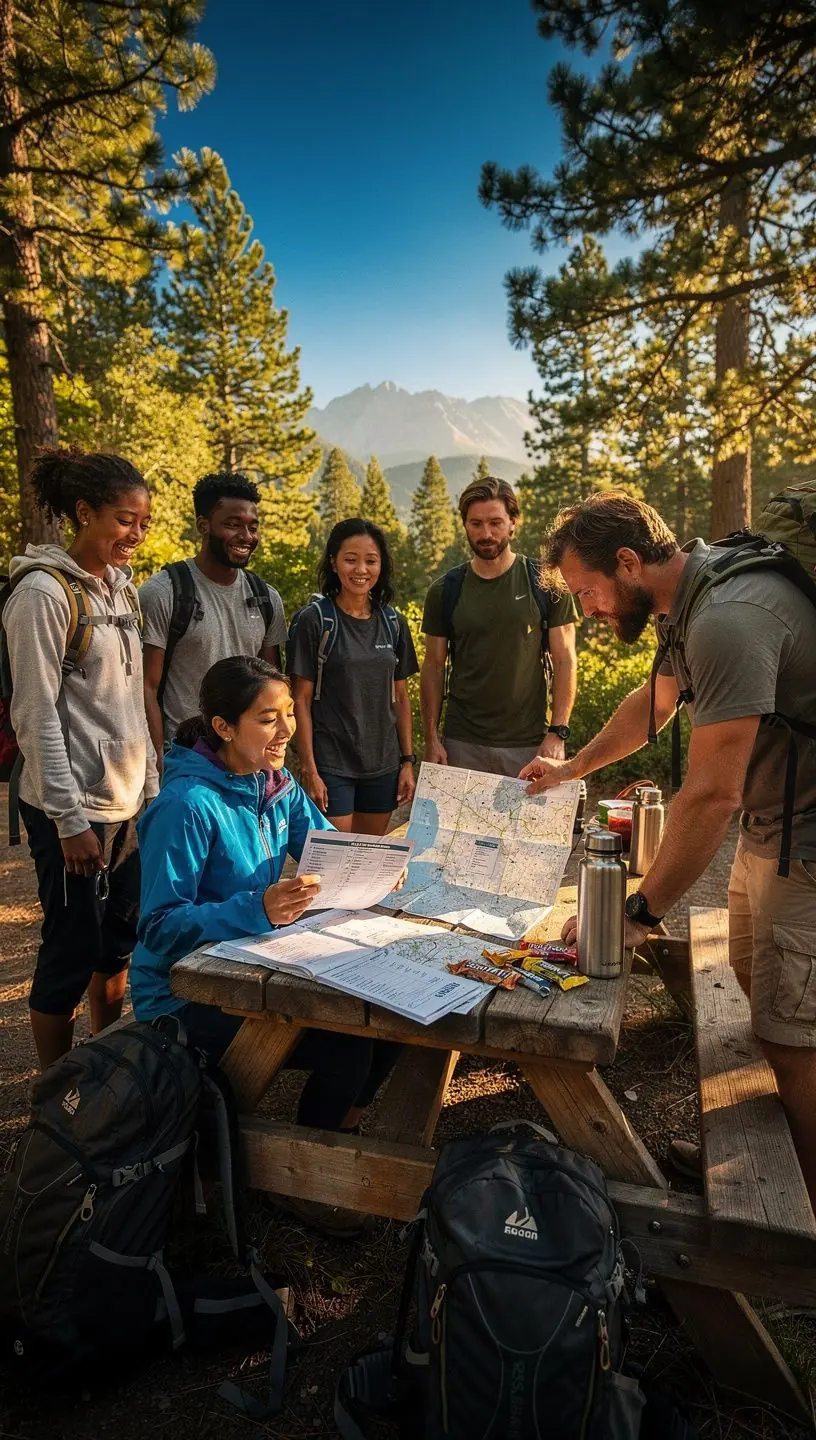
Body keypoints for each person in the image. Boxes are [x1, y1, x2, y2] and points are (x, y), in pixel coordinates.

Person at [521, 491, 816, 1210]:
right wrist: (570, 770)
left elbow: (712, 794)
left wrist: (641, 911)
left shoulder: (727, 618)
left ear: (628, 562)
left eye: (588, 591)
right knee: (757, 989)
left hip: (806, 847)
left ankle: (802, 1212)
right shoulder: (690, 599)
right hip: (771, 833)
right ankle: (779, 1163)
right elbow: (650, 707)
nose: (588, 610)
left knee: (792, 1035)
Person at [130, 655, 401, 1236]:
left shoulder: (276, 784)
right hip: (180, 998)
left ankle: (338, 1144)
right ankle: (303, 1180)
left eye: (288, 717)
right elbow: (158, 927)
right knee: (350, 1047)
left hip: (250, 967)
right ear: (224, 728)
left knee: (389, 1026)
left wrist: (378, 868)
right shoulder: (183, 806)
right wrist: (257, 909)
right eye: (267, 719)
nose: (285, 732)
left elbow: (329, 848)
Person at [3, 447, 158, 1068]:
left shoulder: (123, 591)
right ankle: (56, 1094)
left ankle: (102, 1068)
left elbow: (129, 703)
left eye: (143, 522)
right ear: (83, 512)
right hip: (72, 808)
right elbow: (34, 714)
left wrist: (149, 789)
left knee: (117, 945)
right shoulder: (43, 594)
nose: (135, 534)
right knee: (70, 950)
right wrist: (69, 822)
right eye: (123, 520)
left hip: (125, 805)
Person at [420, 476, 578, 777]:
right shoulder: (445, 590)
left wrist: (558, 733)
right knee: (457, 826)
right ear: (465, 525)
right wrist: (431, 739)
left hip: (529, 744)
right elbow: (434, 667)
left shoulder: (545, 583)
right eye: (476, 523)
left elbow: (565, 660)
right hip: (460, 743)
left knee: (528, 827)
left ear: (513, 523)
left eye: (495, 522)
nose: (486, 533)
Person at [139, 473, 287, 766]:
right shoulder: (163, 592)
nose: (246, 536)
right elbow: (146, 686)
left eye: (252, 527)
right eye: (232, 525)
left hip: (249, 761)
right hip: (186, 759)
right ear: (203, 526)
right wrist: (156, 765)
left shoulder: (267, 598)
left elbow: (273, 688)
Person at [289, 518, 419, 833]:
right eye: (350, 559)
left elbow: (401, 698)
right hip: (332, 764)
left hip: (383, 765)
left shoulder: (393, 622)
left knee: (366, 861)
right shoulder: (314, 621)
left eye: (370, 561)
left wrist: (407, 762)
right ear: (334, 562)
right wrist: (309, 768)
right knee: (333, 864)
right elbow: (300, 700)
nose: (361, 569)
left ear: (381, 566)